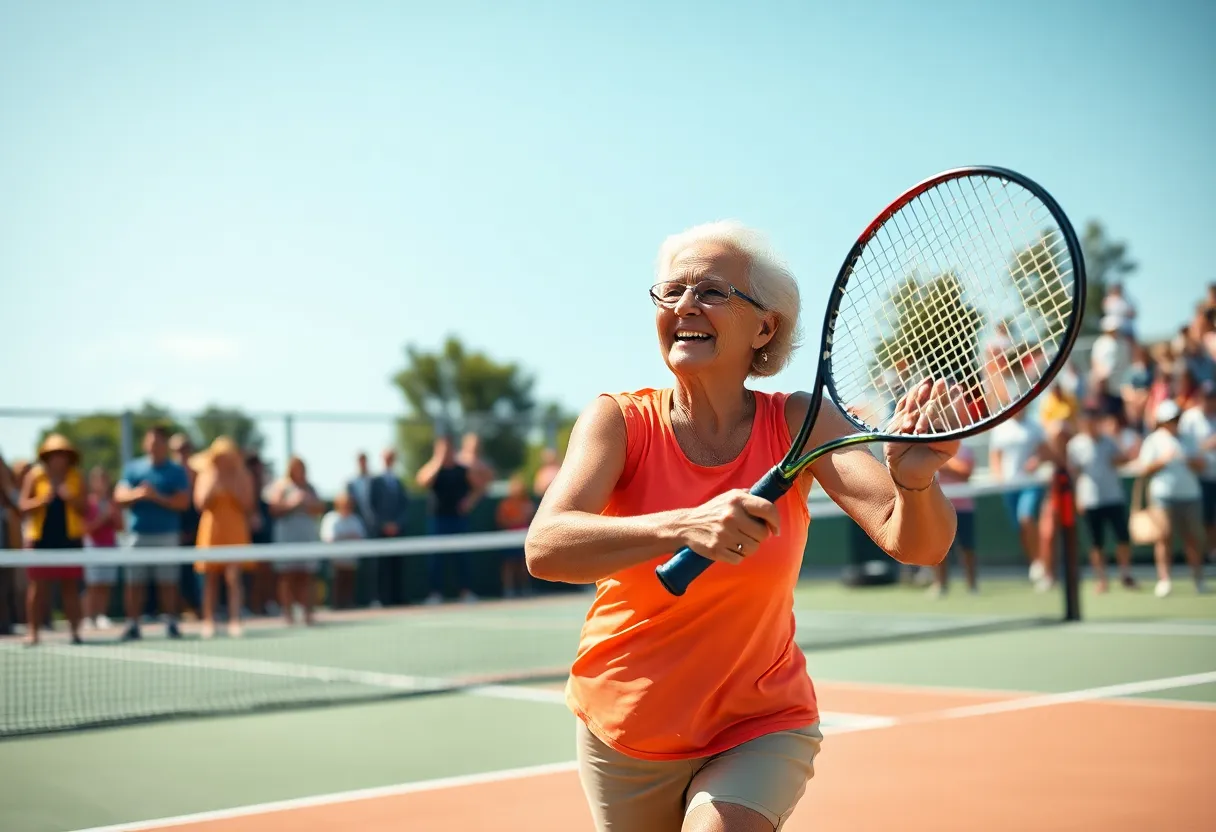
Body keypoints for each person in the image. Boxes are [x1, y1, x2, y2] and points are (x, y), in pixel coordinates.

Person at [524, 221, 960, 832]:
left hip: (760, 719)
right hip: (625, 726)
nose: (684, 306)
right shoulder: (617, 422)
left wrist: (915, 483)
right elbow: (545, 547)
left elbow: (916, 541)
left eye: (710, 291)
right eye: (670, 291)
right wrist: (683, 526)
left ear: (764, 327)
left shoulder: (802, 423)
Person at [113, 425, 190, 640]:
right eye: (151, 441)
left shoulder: (176, 471)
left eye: (159, 442)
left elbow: (183, 502)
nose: (154, 446)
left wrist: (156, 497)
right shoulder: (133, 469)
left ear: (165, 445)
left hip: (167, 534)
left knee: (168, 582)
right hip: (137, 535)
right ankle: (132, 624)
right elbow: (119, 496)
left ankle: (171, 622)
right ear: (145, 444)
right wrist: (139, 494)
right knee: (134, 582)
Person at [19, 434, 88, 646]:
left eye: (63, 454)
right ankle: (33, 632)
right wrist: (42, 500)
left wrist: (70, 497)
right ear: (46, 457)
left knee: (70, 589)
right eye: (54, 454)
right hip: (41, 541)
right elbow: (22, 506)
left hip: (70, 541)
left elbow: (84, 508)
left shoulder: (76, 477)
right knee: (38, 589)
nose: (59, 458)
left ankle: (76, 632)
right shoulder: (35, 476)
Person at [1137, 400, 1206, 598]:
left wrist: (1189, 460)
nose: (1175, 422)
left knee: (1192, 538)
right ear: (1163, 421)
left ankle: (1198, 579)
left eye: (1177, 418)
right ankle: (1164, 580)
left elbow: (1201, 465)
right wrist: (1163, 460)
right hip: (1163, 496)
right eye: (1171, 419)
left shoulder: (1189, 439)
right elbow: (1144, 468)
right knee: (1163, 538)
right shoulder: (1153, 440)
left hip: (1190, 495)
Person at [191, 437, 255, 638]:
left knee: (234, 577)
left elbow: (248, 504)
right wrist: (215, 485)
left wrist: (231, 488)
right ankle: (209, 620)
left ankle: (235, 620)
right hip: (211, 531)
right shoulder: (206, 475)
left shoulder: (242, 475)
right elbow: (200, 503)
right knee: (210, 578)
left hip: (235, 530)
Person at [1067, 406, 1136, 593]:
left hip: (1113, 496)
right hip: (1090, 500)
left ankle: (1126, 574)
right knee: (1097, 543)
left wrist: (1120, 450)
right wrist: (1077, 499)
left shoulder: (1109, 441)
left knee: (1122, 538)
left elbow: (1123, 460)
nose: (1090, 425)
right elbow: (1074, 475)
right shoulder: (1075, 446)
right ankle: (1102, 580)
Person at [416, 435, 484, 604]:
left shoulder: (462, 470)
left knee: (462, 557)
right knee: (435, 559)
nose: (446, 453)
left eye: (448, 449)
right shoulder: (434, 470)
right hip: (438, 520)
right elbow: (422, 481)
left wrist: (469, 502)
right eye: (442, 449)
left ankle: (465, 592)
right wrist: (438, 460)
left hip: (459, 520)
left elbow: (479, 487)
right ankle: (435, 594)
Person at [989, 409, 1052, 589]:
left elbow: (1045, 452)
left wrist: (1037, 460)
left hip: (1031, 483)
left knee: (1026, 518)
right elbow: (995, 456)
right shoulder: (1000, 428)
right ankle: (1035, 562)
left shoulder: (1035, 426)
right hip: (1010, 486)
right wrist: (999, 477)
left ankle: (1040, 563)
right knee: (1021, 528)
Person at [264, 456, 325, 626]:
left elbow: (319, 508)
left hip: (307, 536)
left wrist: (309, 503)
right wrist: (292, 503)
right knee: (287, 575)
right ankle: (288, 614)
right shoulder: (281, 486)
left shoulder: (310, 488)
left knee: (307, 575)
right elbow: (273, 509)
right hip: (287, 537)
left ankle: (308, 614)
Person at [930, 444, 978, 596]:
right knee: (939, 549)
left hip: (964, 507)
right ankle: (940, 584)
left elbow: (965, 472)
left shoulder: (965, 449)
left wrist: (942, 463)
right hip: (939, 506)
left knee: (967, 548)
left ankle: (972, 586)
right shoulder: (931, 447)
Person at [1179, 382, 1216, 565]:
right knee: (1204, 519)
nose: (1210, 402)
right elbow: (1184, 447)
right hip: (1200, 477)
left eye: (1212, 398)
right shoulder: (1190, 418)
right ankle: (1208, 552)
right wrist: (1206, 445)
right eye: (1206, 397)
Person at [82, 466, 123, 628]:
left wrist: (113, 516)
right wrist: (102, 518)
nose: (101, 484)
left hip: (110, 546)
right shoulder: (89, 503)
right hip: (92, 547)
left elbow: (121, 526)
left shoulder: (113, 503)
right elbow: (86, 528)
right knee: (92, 585)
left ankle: (101, 615)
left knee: (105, 584)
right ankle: (88, 617)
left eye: (104, 480)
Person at [319, 492, 365, 610]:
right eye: (344, 504)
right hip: (335, 560)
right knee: (337, 583)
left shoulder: (355, 519)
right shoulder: (331, 518)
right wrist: (348, 537)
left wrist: (343, 537)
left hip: (351, 560)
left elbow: (360, 537)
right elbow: (329, 538)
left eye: (349, 504)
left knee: (349, 583)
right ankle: (336, 606)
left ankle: (348, 605)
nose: (347, 507)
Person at [495, 474, 536, 598]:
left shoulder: (527, 503)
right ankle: (509, 589)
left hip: (524, 538)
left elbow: (531, 518)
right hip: (510, 538)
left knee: (524, 564)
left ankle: (525, 588)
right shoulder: (506, 504)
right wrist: (515, 522)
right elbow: (501, 520)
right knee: (509, 564)